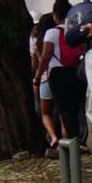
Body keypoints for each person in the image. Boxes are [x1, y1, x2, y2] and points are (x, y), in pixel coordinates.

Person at [35, 0, 86, 142]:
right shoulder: (76, 31)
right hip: (76, 72)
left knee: (63, 111)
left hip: (58, 74)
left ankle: (69, 145)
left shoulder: (52, 33)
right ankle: (75, 141)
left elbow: (45, 57)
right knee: (74, 110)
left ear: (55, 15)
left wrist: (37, 77)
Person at [33, 11, 61, 148]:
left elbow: (35, 64)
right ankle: (66, 139)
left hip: (44, 79)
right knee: (62, 111)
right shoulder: (59, 35)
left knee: (45, 113)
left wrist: (36, 78)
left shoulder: (37, 42)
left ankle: (53, 136)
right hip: (61, 75)